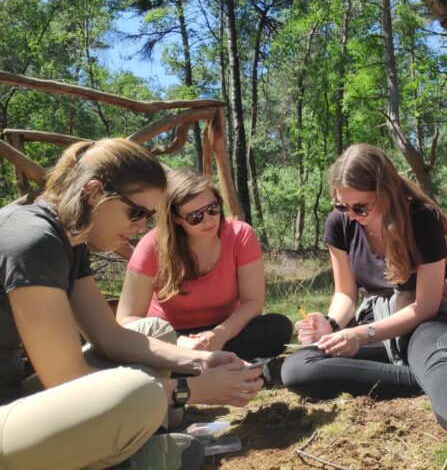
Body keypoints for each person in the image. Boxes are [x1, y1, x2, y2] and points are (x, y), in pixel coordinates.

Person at [0, 139, 264, 470]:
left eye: (149, 216)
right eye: (136, 212)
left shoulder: (70, 238)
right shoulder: (33, 242)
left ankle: (122, 450)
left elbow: (110, 336)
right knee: (137, 393)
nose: (141, 227)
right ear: (94, 193)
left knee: (152, 331)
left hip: (15, 402)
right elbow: (65, 379)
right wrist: (188, 390)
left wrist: (201, 359)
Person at [280, 143, 447, 470]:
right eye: (342, 205)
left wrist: (362, 335)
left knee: (429, 352)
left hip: (429, 321)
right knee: (298, 368)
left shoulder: (421, 218)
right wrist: (332, 324)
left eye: (360, 207)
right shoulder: (340, 222)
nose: (351, 216)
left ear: (386, 191)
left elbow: (426, 305)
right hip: (374, 321)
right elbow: (346, 293)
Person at [117, 169, 291, 362]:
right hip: (170, 337)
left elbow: (253, 303)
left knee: (278, 327)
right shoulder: (152, 246)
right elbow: (127, 319)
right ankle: (207, 361)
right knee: (135, 347)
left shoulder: (241, 235)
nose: (208, 220)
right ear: (175, 218)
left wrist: (218, 335)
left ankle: (195, 363)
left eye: (213, 209)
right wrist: (180, 343)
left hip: (226, 331)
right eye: (195, 217)